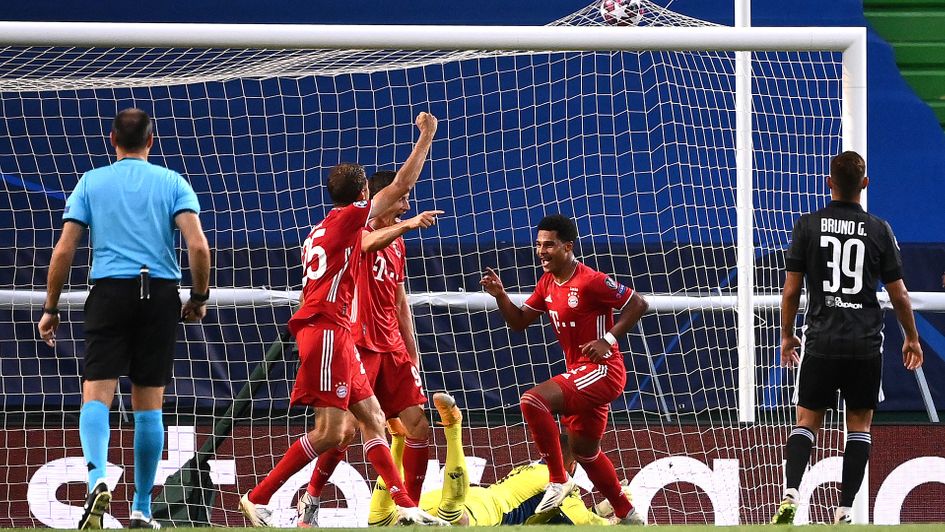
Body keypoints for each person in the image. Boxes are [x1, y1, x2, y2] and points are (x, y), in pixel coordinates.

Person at [238, 112, 446, 527]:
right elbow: (401, 185)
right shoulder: (352, 220)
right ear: (365, 194)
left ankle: (407, 506)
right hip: (331, 332)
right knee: (332, 433)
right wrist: (427, 136)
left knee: (372, 421)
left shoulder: (319, 230)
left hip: (335, 335)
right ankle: (259, 496)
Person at [36, 108, 211, 529]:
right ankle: (142, 508)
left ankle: (98, 478)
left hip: (109, 292)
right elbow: (199, 248)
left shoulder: (92, 182)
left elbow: (64, 251)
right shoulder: (172, 182)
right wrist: (199, 297)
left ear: (112, 139)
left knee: (96, 394)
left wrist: (50, 307)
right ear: (152, 141)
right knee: (149, 405)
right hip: (159, 294)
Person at [772, 151, 923, 525]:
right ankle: (844, 511)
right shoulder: (879, 229)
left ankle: (791, 491)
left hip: (821, 340)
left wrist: (787, 335)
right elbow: (900, 294)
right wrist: (912, 338)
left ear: (829, 183)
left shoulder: (807, 226)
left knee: (806, 420)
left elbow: (791, 291)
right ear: (865, 184)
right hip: (865, 343)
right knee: (859, 425)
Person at [297, 169, 443, 527]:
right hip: (357, 343)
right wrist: (409, 223)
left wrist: (411, 350)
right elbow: (363, 244)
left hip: (390, 346)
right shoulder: (356, 232)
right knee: (345, 431)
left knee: (419, 426)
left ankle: (411, 507)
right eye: (402, 197)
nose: (407, 202)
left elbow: (399, 299)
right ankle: (311, 497)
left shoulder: (397, 243)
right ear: (383, 200)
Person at [480, 214, 648, 525]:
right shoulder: (546, 283)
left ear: (568, 246)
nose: (541, 251)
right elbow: (519, 323)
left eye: (549, 245)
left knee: (533, 401)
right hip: (580, 374)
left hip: (603, 370)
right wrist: (500, 295)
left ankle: (558, 479)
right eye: (538, 245)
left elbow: (638, 303)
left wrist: (607, 339)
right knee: (586, 452)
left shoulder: (591, 280)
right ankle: (628, 514)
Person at [367, 392, 630, 526]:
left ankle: (398, 439)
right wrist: (615, 518)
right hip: (484, 510)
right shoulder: (561, 486)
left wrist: (602, 507)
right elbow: (581, 522)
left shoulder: (527, 469)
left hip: (440, 498)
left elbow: (553, 518)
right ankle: (453, 428)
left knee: (380, 522)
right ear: (572, 466)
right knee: (453, 517)